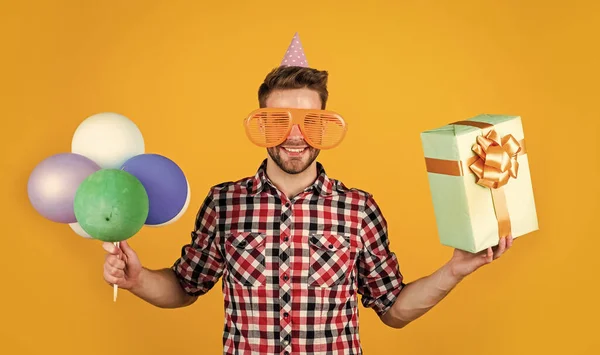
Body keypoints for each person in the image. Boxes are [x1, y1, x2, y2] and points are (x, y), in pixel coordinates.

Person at [102, 33, 513, 354]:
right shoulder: (224, 204)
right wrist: (137, 279)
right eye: (278, 121)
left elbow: (394, 310)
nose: (295, 136)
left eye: (310, 122)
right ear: (261, 124)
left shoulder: (358, 209)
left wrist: (455, 269)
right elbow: (184, 287)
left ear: (325, 124)